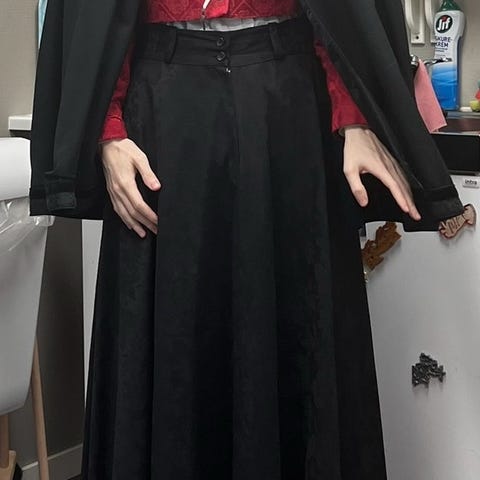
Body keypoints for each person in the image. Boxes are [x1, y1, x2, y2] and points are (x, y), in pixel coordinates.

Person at [29, 0, 464, 479]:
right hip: (159, 120)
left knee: (298, 328)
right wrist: (107, 132)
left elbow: (344, 13)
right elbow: (96, 16)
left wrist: (354, 116)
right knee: (172, 334)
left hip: (287, 112)